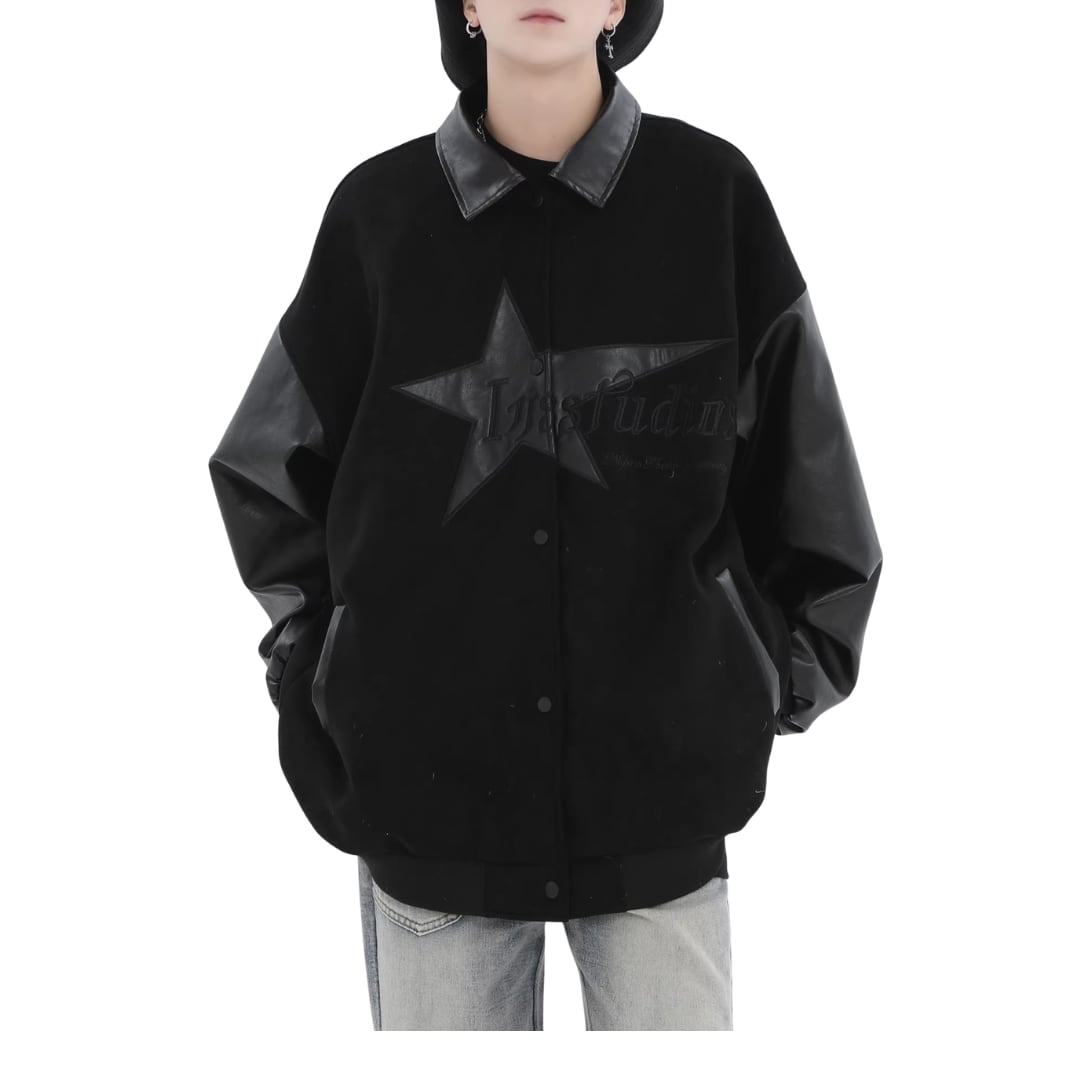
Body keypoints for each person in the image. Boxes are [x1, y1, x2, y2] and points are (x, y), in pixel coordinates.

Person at [208, 0, 883, 1031]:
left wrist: (760, 681)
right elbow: (268, 466)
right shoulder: (379, 214)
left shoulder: (711, 196)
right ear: (466, 6)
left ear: (620, 4)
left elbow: (810, 476)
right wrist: (323, 668)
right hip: (428, 803)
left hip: (660, 796)